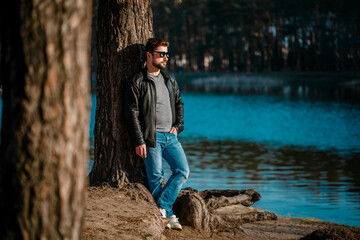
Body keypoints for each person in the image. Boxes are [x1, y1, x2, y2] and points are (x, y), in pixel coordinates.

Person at [125, 38, 189, 230]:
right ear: (149, 55)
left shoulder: (169, 80)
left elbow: (179, 104)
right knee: (155, 177)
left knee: (182, 171)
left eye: (166, 54)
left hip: (171, 137)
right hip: (150, 137)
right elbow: (132, 112)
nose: (165, 58)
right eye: (161, 54)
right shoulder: (137, 81)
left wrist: (178, 126)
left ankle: (163, 208)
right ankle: (167, 215)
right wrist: (139, 140)